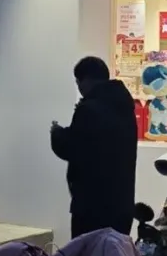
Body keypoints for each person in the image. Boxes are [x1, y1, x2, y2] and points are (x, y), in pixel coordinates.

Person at [50, 56, 138, 239]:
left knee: (86, 254)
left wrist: (57, 134)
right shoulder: (125, 108)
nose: (79, 88)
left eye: (79, 82)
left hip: (91, 206)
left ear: (87, 80)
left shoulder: (88, 109)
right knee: (115, 254)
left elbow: (74, 148)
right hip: (122, 204)